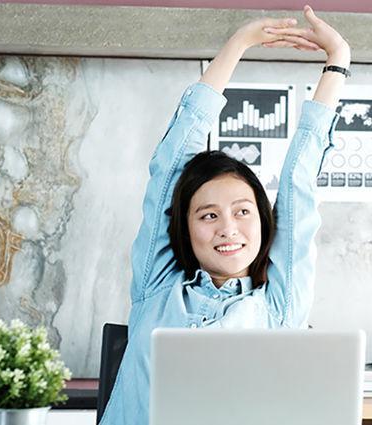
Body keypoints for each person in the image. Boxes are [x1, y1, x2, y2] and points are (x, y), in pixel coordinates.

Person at [100, 5, 351, 424]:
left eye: (242, 211)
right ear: (186, 227)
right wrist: (239, 44)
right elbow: (172, 161)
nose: (228, 228)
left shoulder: (279, 305)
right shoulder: (156, 285)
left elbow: (299, 187)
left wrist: (337, 62)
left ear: (262, 221)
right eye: (208, 216)